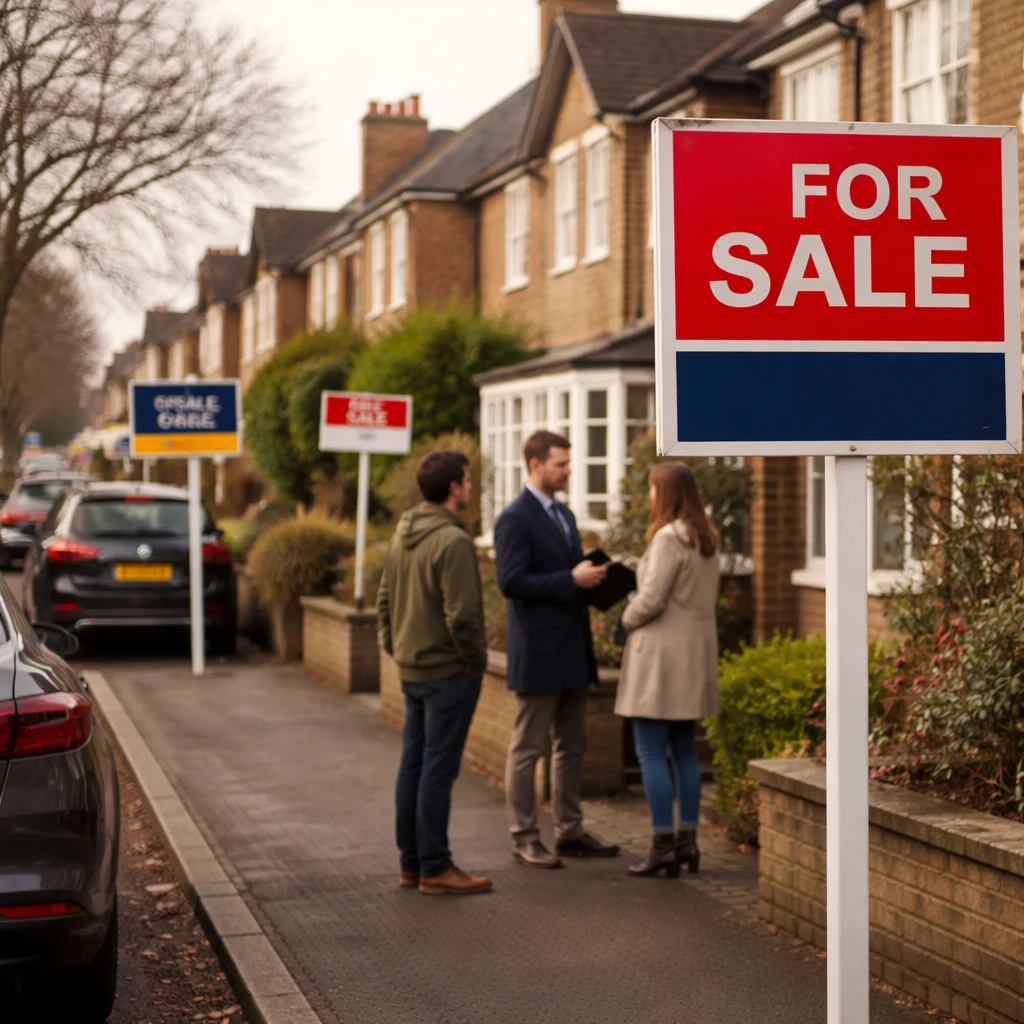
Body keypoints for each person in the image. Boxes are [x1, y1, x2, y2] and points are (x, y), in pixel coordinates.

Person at [494, 431, 620, 868]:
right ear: (535, 465)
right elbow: (511, 582)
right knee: (529, 747)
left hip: (572, 647)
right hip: (538, 651)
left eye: (568, 463)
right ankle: (524, 835)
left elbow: (567, 574)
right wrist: (571, 580)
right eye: (560, 464)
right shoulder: (514, 518)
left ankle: (570, 830)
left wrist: (595, 581)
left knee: (573, 743)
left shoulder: (564, 514)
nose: (568, 471)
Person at [377, 449, 492, 896]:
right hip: (447, 673)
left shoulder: (402, 533)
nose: (470, 485)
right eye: (466, 478)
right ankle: (436, 868)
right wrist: (475, 663)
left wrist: (397, 648)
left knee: (414, 765)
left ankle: (412, 864)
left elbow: (384, 601)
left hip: (413, 669)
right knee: (437, 771)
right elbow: (463, 616)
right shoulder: (453, 541)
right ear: (453, 487)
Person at [615, 462, 721, 879]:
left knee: (649, 751)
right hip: (693, 655)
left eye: (652, 490)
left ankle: (662, 844)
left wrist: (624, 619)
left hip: (659, 657)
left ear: (667, 493)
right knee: (684, 751)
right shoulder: (706, 537)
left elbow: (652, 598)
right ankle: (687, 842)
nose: (648, 497)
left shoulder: (667, 537)